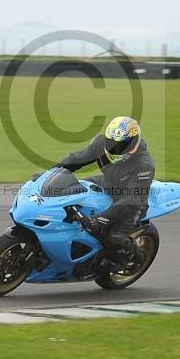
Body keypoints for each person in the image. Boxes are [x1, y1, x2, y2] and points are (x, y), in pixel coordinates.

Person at [53, 116, 155, 271]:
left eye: (122, 144)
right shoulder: (100, 143)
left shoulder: (144, 164)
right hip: (106, 183)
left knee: (110, 236)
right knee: (68, 191)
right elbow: (76, 159)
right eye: (112, 142)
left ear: (134, 142)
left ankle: (131, 254)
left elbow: (132, 197)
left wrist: (101, 219)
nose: (115, 148)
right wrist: (52, 173)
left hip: (132, 201)